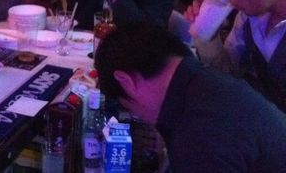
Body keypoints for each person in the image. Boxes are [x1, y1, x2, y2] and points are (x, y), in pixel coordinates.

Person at [95, 23, 286, 173]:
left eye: (130, 107)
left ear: (126, 80)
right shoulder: (205, 83)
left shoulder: (196, 132)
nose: (142, 118)